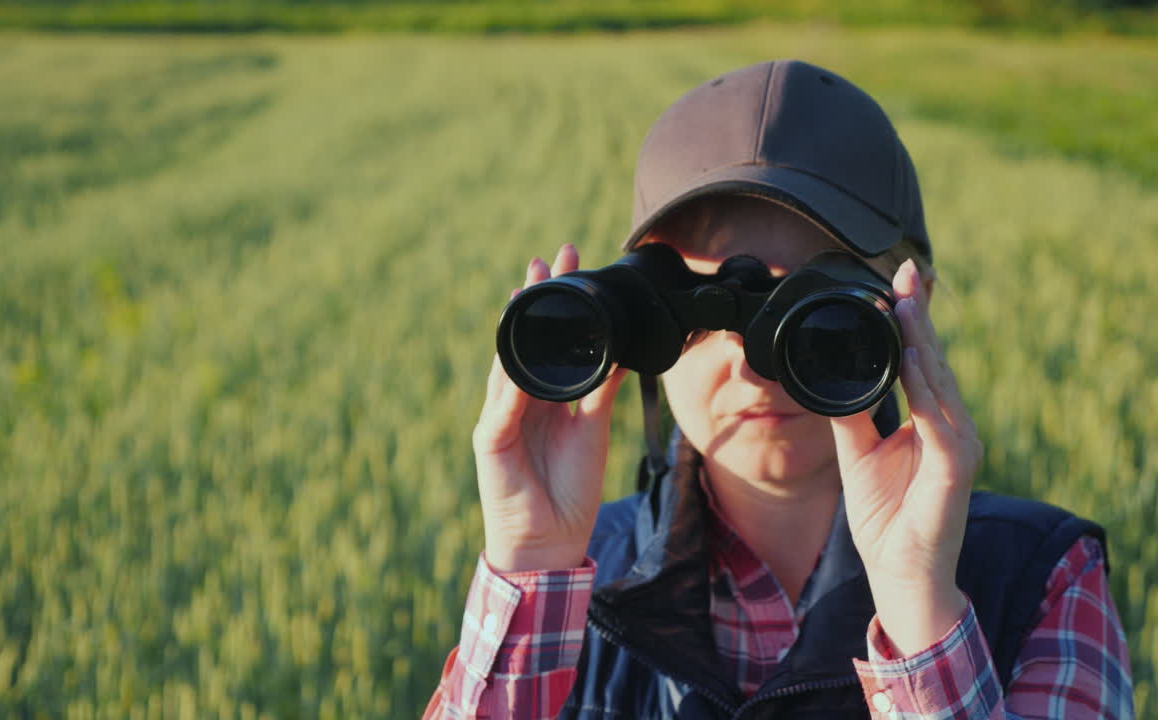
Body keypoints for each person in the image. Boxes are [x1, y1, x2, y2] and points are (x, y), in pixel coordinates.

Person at [423, 60, 1133, 719]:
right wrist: (530, 570)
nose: (755, 366)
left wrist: (923, 608)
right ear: (640, 320)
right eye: (692, 310)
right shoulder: (567, 586)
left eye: (815, 320)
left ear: (912, 308)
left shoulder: (1042, 579)